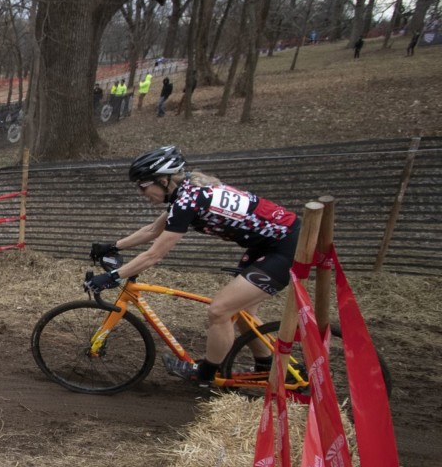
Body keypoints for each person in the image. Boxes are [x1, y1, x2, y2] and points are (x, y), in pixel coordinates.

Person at [84, 145, 297, 388]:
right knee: (243, 313)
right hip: (269, 246)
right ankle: (267, 367)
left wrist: (113, 276)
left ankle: (204, 373)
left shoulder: (188, 200)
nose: (142, 193)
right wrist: (113, 246)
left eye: (143, 185)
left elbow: (154, 255)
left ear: (164, 180)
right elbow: (153, 230)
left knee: (220, 311)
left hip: (286, 247)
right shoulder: (188, 192)